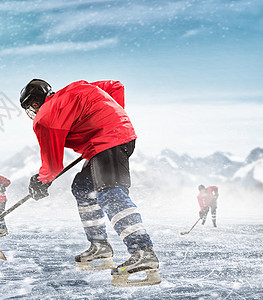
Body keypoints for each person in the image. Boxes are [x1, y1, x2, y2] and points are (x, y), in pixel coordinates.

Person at [20, 79, 161, 286]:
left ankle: (143, 253)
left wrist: (40, 182)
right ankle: (100, 246)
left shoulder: (44, 117)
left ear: (34, 104)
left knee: (110, 193)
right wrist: (107, 119)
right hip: (108, 140)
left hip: (108, 141)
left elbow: (52, 167)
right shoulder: (77, 87)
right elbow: (115, 86)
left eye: (29, 108)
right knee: (83, 187)